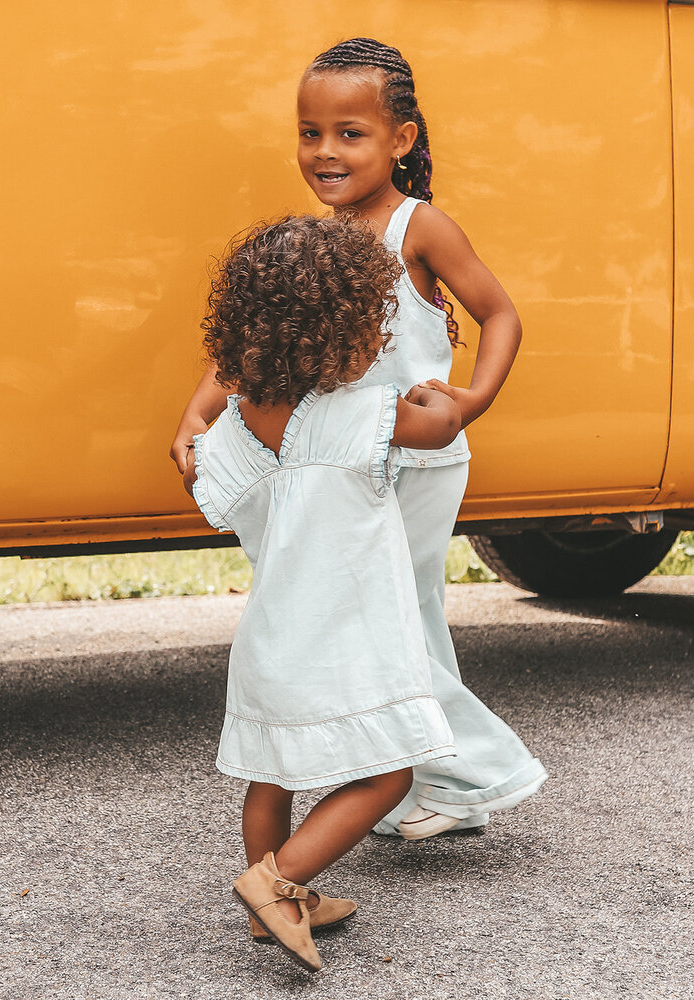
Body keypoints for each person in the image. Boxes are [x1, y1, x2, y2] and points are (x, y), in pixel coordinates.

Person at [171, 37, 547, 842]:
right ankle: (427, 777)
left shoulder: (419, 228)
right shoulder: (319, 240)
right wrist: (196, 411)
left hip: (414, 461)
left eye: (350, 133)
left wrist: (472, 398)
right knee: (380, 620)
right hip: (338, 464)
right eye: (311, 132)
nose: (325, 152)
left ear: (401, 139)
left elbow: (502, 314)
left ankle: (471, 771)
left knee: (389, 621)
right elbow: (254, 342)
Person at [183, 213, 465, 972]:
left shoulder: (235, 431)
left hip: (272, 640)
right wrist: (444, 394)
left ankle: (275, 908)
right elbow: (440, 429)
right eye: (375, 321)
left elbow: (202, 477)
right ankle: (275, 885)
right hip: (345, 638)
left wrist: (193, 438)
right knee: (388, 773)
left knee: (269, 771)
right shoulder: (358, 414)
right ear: (340, 330)